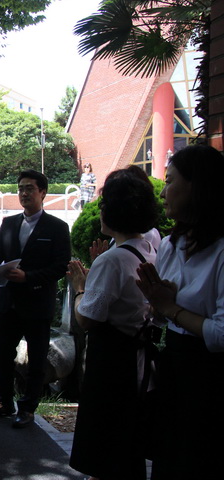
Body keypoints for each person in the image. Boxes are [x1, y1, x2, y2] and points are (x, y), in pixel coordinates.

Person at [136, 144, 224, 479]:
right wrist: (157, 302)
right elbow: (161, 316)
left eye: (170, 181)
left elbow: (220, 334)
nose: (163, 193)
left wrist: (172, 308)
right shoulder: (172, 244)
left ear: (197, 186)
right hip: (174, 364)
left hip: (209, 375)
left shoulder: (220, 250)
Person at [67, 166, 159, 480]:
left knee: (106, 450)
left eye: (104, 204)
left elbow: (87, 318)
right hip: (136, 360)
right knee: (126, 446)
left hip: (111, 367)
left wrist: (81, 287)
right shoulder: (147, 249)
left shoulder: (112, 259)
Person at [0, 170, 71, 428]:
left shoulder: (57, 227)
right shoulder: (9, 224)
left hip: (38, 303)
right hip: (8, 302)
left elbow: (60, 266)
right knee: (2, 355)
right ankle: (4, 402)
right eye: (20, 189)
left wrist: (28, 277)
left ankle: (28, 407)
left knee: (37, 358)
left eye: (29, 188)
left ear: (42, 192)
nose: (24, 193)